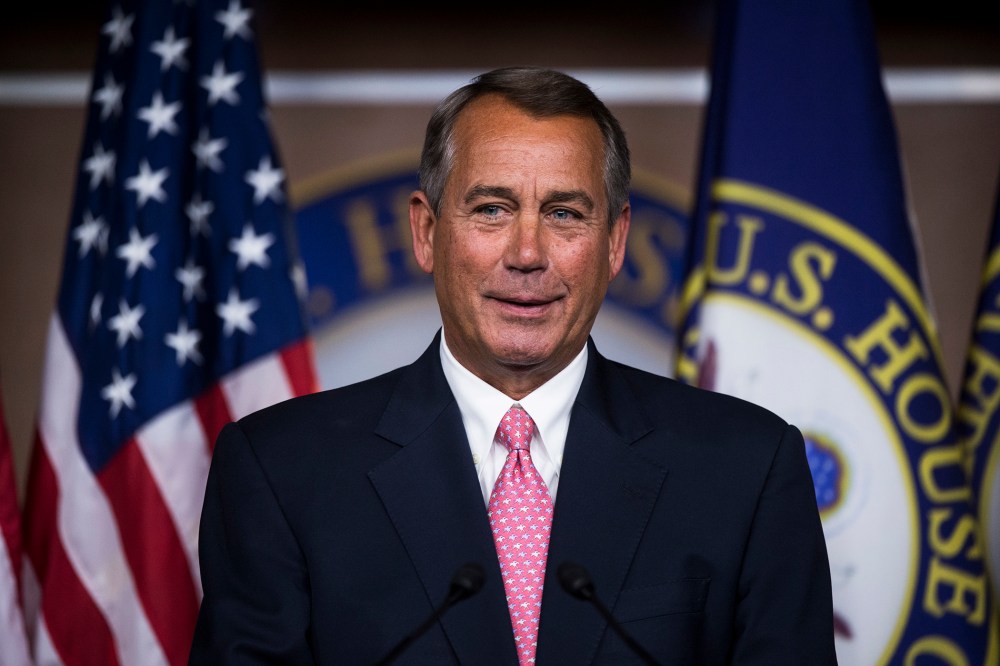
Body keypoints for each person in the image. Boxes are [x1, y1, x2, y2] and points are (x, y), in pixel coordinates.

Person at [189, 66, 836, 665]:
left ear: (613, 241)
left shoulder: (746, 468)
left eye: (564, 213)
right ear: (427, 232)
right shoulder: (281, 471)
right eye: (492, 209)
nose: (527, 253)